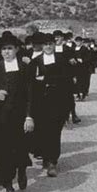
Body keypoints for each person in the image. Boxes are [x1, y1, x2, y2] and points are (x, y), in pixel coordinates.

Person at [0, 34, 34, 192]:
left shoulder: (24, 67)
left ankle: (22, 170)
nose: (7, 52)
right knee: (3, 152)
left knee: (20, 148)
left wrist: (29, 117)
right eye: (4, 49)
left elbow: (30, 94)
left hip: (20, 116)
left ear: (16, 50)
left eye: (10, 49)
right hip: (1, 117)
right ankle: (8, 187)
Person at [29, 34, 73, 177]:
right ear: (42, 46)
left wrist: (47, 79)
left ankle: (52, 161)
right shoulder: (35, 61)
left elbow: (67, 82)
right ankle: (45, 157)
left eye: (50, 44)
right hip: (40, 103)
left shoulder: (62, 60)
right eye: (45, 44)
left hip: (58, 102)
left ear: (54, 45)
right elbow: (30, 83)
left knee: (55, 131)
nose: (48, 46)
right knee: (42, 130)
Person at [74, 36, 91, 101]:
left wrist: (83, 60)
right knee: (76, 81)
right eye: (76, 41)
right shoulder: (73, 48)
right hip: (75, 67)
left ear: (81, 42)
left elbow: (88, 58)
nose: (78, 42)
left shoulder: (84, 49)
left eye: (79, 41)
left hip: (83, 67)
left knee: (82, 81)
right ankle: (77, 95)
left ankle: (83, 94)